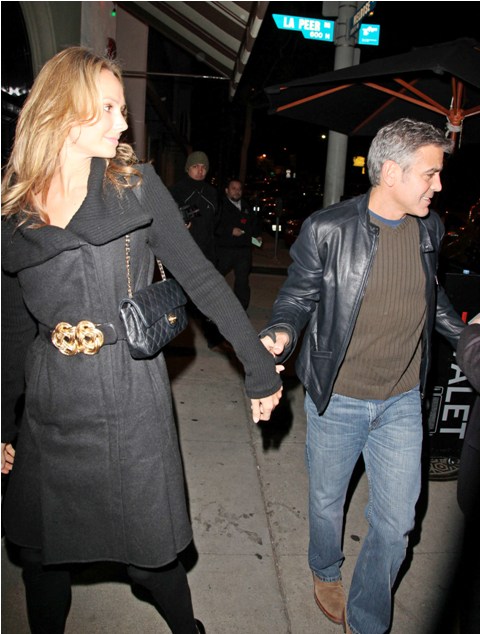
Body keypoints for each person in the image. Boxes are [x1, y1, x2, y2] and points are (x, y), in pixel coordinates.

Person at [0, 47, 283, 634]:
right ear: (62, 110)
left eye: (123, 109)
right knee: (42, 560)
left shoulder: (135, 185)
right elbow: (13, 328)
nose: (122, 123)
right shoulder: (15, 211)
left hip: (129, 395)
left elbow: (200, 277)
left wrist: (257, 364)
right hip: (51, 406)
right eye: (107, 108)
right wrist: (3, 420)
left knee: (151, 558)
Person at [260, 118, 466, 634]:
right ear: (392, 173)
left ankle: (368, 619)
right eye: (431, 173)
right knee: (328, 503)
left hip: (402, 400)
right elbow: (297, 297)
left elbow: (432, 296)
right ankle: (325, 567)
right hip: (340, 397)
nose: (439, 185)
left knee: (397, 525)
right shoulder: (328, 229)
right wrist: (281, 333)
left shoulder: (430, 229)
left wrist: (468, 337)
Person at [215, 178, 262, 311]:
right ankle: (212, 306)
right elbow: (213, 225)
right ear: (227, 190)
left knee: (242, 281)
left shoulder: (246, 206)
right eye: (233, 188)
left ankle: (241, 310)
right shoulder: (220, 206)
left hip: (244, 250)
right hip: (225, 249)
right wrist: (230, 230)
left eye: (239, 189)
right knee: (215, 277)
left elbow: (254, 223)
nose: (237, 191)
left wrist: (257, 235)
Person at [169, 151, 218, 264]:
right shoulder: (177, 190)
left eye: (203, 167)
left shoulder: (211, 192)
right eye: (195, 166)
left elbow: (216, 220)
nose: (200, 171)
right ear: (188, 168)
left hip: (207, 251)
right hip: (183, 249)